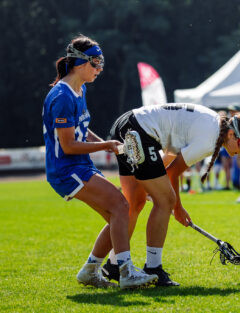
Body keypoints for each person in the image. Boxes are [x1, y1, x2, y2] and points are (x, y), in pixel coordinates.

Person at [42, 35, 157, 289]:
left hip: (79, 166)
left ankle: (91, 270)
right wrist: (106, 146)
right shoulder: (62, 96)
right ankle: (126, 272)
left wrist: (109, 143)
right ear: (79, 63)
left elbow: (82, 130)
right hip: (66, 170)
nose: (99, 69)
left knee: (118, 214)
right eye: (95, 63)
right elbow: (68, 145)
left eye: (101, 63)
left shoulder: (79, 90)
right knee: (120, 206)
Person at [100, 104, 240, 285]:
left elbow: (168, 157)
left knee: (134, 204)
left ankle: (109, 265)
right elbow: (172, 173)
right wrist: (178, 208)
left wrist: (150, 183)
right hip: (139, 131)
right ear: (231, 135)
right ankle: (153, 268)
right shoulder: (209, 139)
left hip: (128, 123)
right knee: (166, 201)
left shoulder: (213, 125)